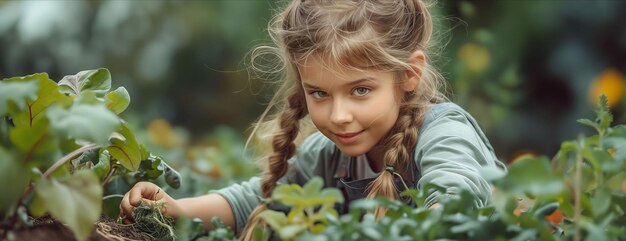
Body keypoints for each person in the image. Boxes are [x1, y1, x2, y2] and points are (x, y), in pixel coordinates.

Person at [119, 0, 505, 240]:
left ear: (409, 75)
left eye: (360, 91)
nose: (339, 117)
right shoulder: (327, 154)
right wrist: (178, 210)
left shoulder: (444, 132)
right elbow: (256, 200)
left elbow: (457, 206)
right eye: (319, 93)